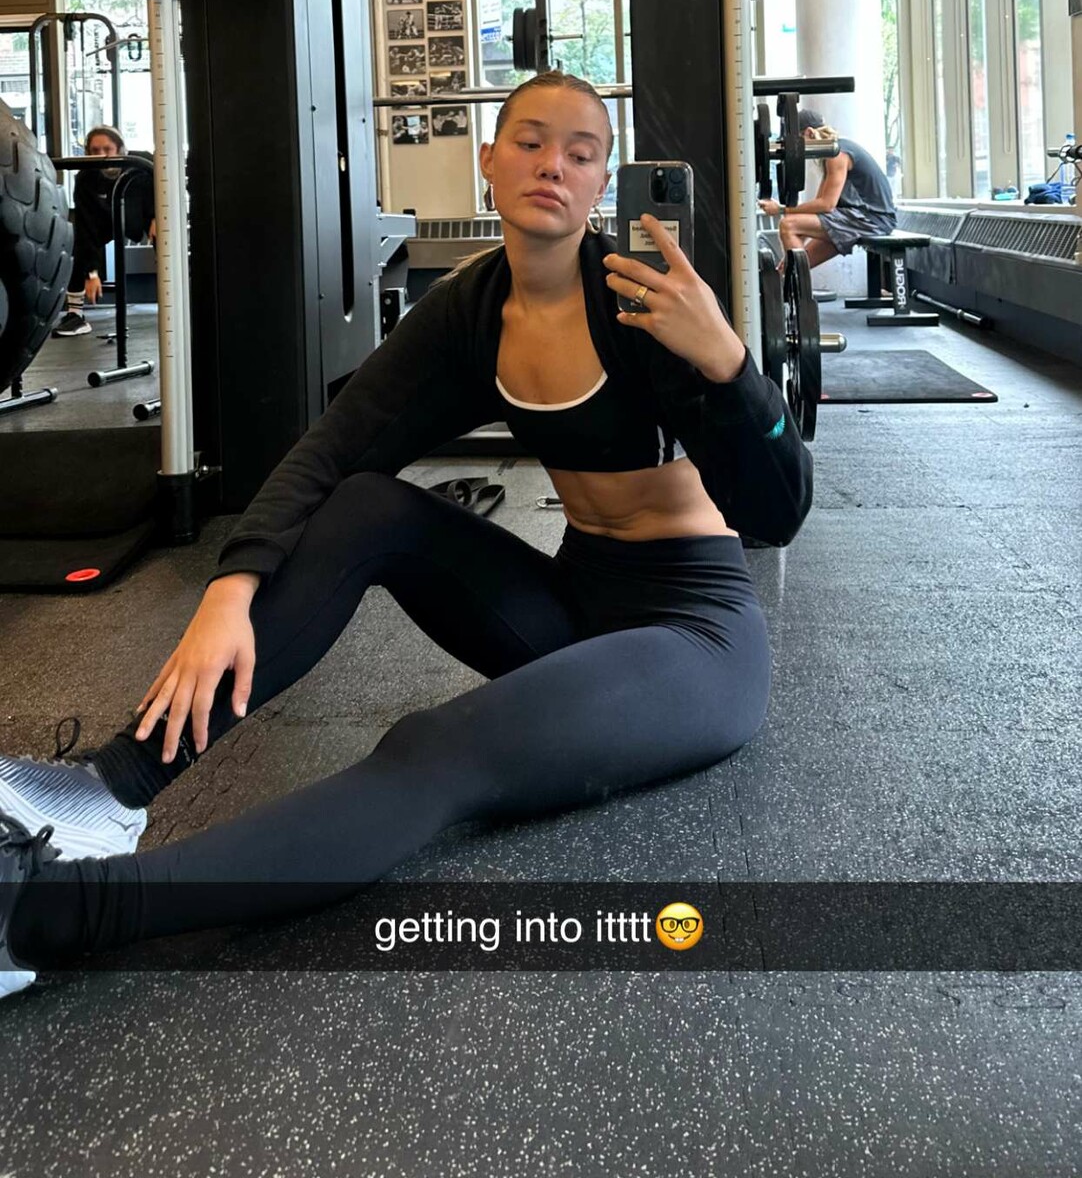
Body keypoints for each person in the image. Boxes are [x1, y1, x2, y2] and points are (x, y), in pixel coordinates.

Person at [0, 72, 812, 999]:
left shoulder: (640, 307)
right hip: (576, 603)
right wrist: (231, 586)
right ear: (489, 162)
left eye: (582, 153)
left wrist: (731, 365)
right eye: (531, 143)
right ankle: (106, 791)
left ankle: (43, 918)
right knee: (368, 506)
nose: (553, 165)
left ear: (602, 182)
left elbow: (778, 512)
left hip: (693, 636)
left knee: (435, 748)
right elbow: (334, 450)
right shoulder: (472, 311)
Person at [51, 125, 156, 338]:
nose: (101, 155)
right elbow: (87, 227)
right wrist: (91, 273)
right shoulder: (85, 178)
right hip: (105, 218)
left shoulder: (143, 163)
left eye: (107, 149)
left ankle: (181, 302)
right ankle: (75, 315)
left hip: (142, 215)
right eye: (95, 150)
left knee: (166, 237)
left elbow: (164, 189)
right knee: (77, 243)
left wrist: (157, 216)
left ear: (120, 149)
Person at [759, 108, 897, 269]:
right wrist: (789, 259)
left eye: (796, 143)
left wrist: (781, 209)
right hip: (858, 217)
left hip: (872, 220)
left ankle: (797, 282)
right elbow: (819, 206)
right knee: (793, 266)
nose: (795, 151)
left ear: (809, 133)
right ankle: (793, 280)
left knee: (788, 225)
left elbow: (827, 205)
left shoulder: (838, 154)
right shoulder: (831, 153)